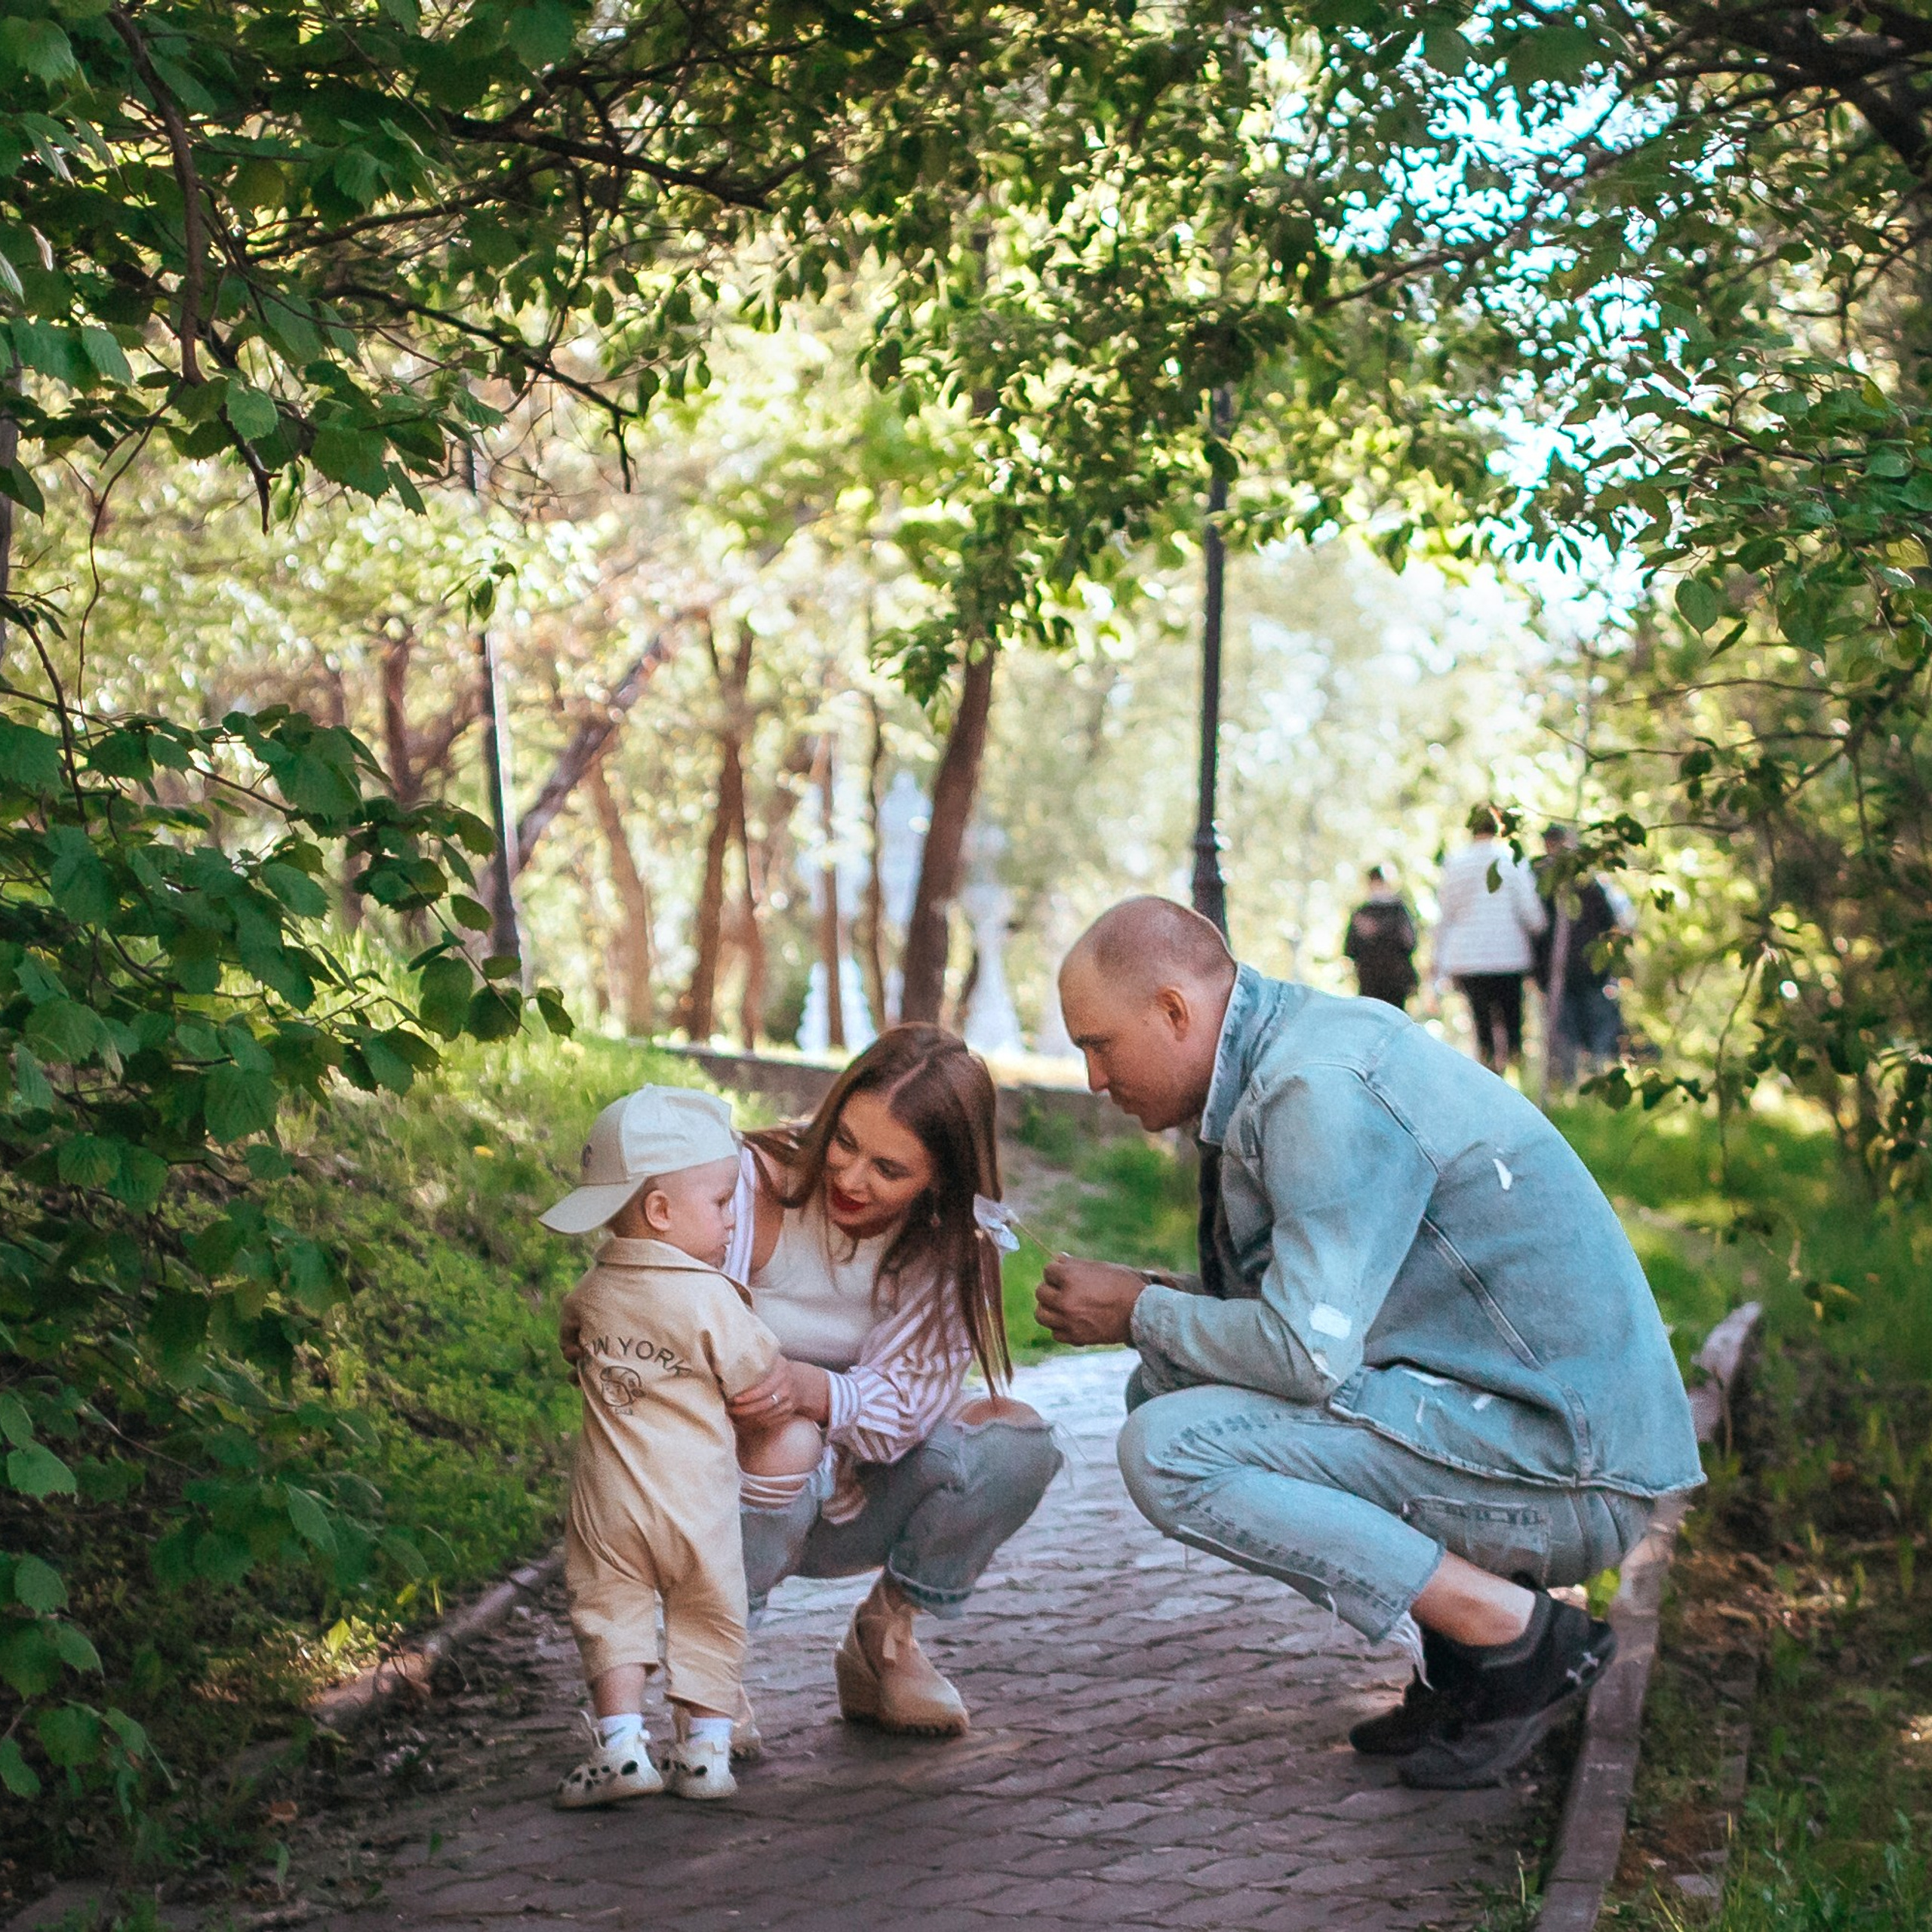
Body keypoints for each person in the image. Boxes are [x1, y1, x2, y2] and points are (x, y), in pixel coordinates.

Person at [1037, 898, 1702, 1789]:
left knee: (1169, 1447)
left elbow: (1301, 1358)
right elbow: (1314, 1325)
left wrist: (1136, 1312)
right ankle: (1461, 1656)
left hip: (1573, 1476)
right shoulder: (1297, 1057)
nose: (1090, 1077)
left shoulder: (1318, 1090)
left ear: (1173, 1012)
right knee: (1165, 1388)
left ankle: (1516, 1639)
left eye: (1099, 1044)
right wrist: (1149, 1305)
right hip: (1525, 1436)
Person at [723, 1025, 1063, 1737]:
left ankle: (884, 1638)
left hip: (846, 1493)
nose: (850, 1179)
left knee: (1017, 1442)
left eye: (889, 1169)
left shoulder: (951, 1247)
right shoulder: (742, 1182)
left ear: (941, 1176)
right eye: (843, 1141)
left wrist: (816, 1391)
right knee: (783, 1439)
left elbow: (899, 1418)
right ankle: (706, 1663)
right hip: (720, 1486)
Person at [540, 1087, 820, 1807]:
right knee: (709, 1612)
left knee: (609, 1609)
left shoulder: (593, 1289)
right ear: (661, 1212)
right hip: (695, 1503)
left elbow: (575, 1344)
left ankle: (623, 1746)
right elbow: (760, 1376)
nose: (733, 1221)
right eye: (724, 1204)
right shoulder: (713, 1299)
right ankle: (704, 1755)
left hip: (609, 1506)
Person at [1432, 804, 1548, 1072]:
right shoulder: (1511, 859)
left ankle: (1488, 1071)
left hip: (1469, 958)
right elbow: (1532, 914)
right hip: (1509, 956)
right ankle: (1515, 1076)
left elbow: (1445, 915)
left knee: (1482, 1024)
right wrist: (1539, 932)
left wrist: (1439, 963)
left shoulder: (1455, 863)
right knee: (1512, 1022)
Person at [1534, 825, 1629, 1088]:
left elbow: (1608, 923)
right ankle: (1570, 1082)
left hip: (1589, 971)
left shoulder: (1586, 882)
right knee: (1566, 1029)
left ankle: (1597, 1077)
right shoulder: (1541, 882)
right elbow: (1536, 927)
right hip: (1557, 971)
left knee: (1596, 1023)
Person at [1342, 866, 1420, 1009]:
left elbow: (1409, 943)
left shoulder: (1398, 911)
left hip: (1395, 980)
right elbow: (1350, 949)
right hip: (1370, 979)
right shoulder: (1362, 912)